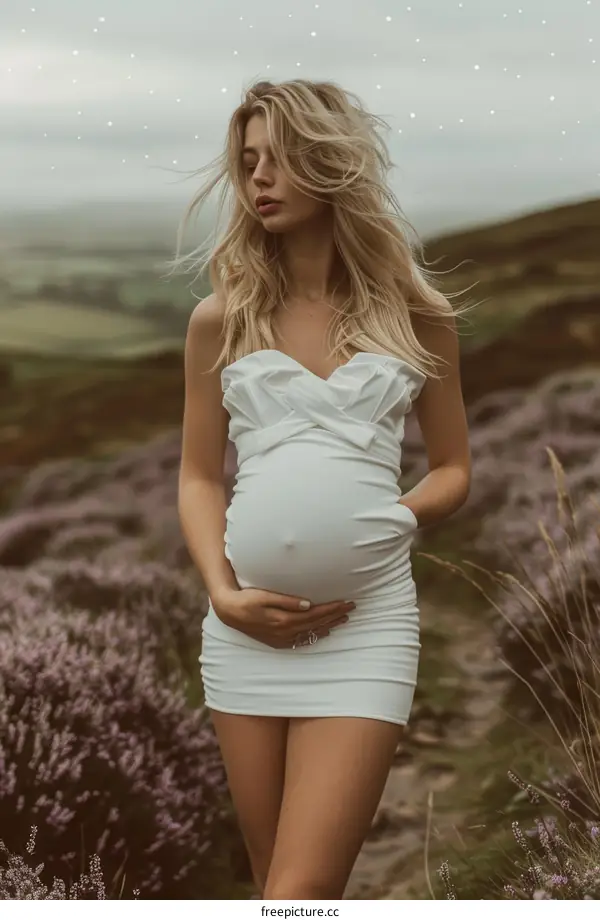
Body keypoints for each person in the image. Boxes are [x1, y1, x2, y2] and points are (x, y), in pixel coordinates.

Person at [174, 79, 471, 900]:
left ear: (331, 162)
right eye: (247, 163)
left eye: (278, 160)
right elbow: (199, 477)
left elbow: (453, 468)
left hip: (365, 629)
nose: (257, 180)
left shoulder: (418, 312)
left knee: (295, 894)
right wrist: (223, 595)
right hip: (242, 640)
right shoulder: (220, 319)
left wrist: (395, 517)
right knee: (281, 888)